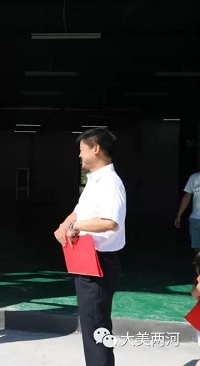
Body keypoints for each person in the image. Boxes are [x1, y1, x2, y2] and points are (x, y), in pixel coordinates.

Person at [53, 127, 126, 366]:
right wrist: (65, 224)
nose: (79, 155)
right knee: (92, 324)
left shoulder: (110, 183)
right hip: (87, 261)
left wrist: (75, 225)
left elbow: (110, 222)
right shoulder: (95, 181)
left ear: (96, 149)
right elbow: (80, 210)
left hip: (100, 264)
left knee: (96, 326)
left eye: (82, 150)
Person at [175, 171, 200, 255]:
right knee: (196, 248)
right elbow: (187, 196)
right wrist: (179, 215)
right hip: (195, 218)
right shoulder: (194, 177)